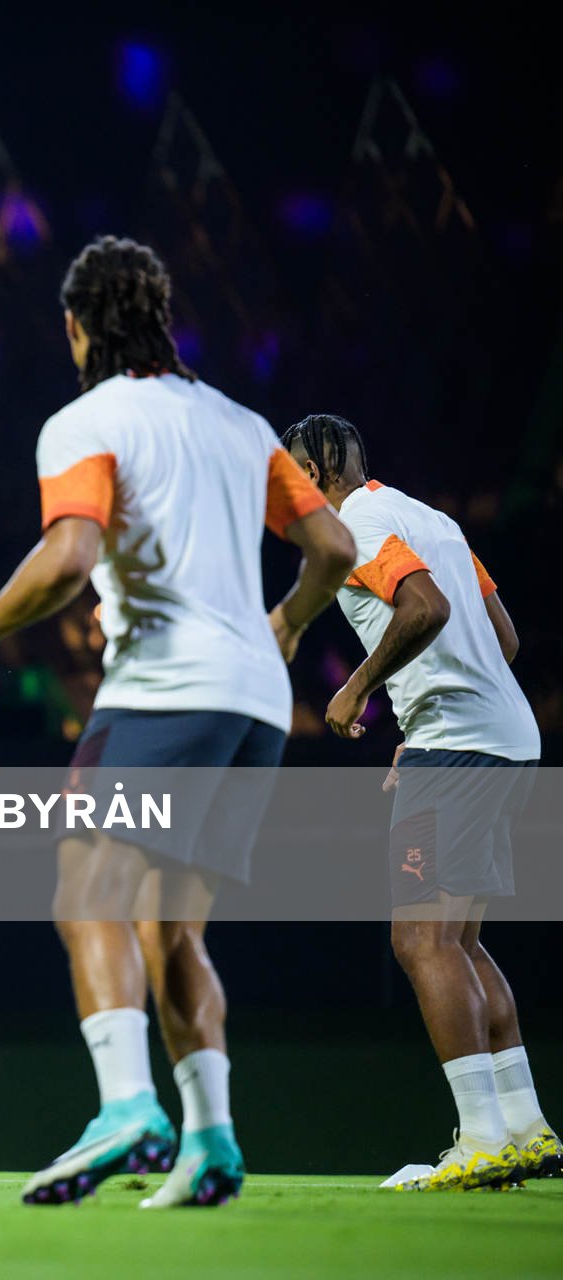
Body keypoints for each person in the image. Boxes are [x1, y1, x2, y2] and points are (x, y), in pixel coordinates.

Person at [0, 237, 355, 1207]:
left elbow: (67, 556)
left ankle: (129, 1105)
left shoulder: (89, 420)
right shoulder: (242, 423)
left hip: (166, 688)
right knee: (171, 927)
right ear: (163, 315)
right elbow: (331, 545)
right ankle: (211, 1136)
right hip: (257, 702)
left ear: (77, 325)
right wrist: (287, 625)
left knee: (84, 883)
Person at [283, 412, 555, 1190]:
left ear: (323, 471)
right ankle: (523, 1127)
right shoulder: (425, 515)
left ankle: (480, 1140)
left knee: (422, 941)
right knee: (460, 942)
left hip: (460, 751)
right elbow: (499, 636)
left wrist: (358, 687)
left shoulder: (359, 523)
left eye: (293, 473)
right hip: (500, 738)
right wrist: (426, 710)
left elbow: (427, 609)